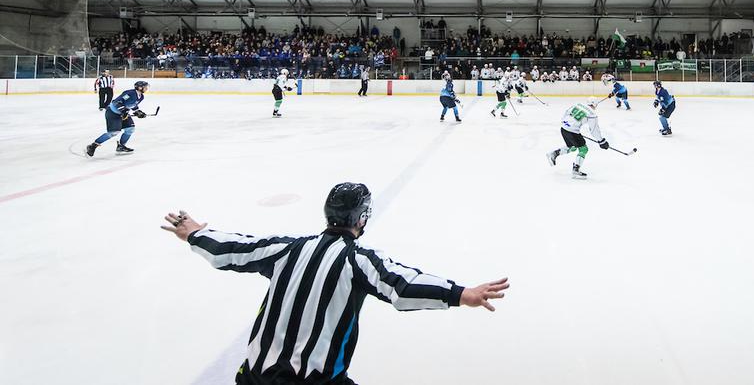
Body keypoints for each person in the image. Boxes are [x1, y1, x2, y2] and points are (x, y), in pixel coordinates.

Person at [161, 183, 508, 385]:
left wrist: (197, 233)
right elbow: (402, 287)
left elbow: (232, 249)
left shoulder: (286, 248)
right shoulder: (359, 260)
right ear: (362, 218)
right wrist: (462, 294)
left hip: (253, 377)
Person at [546, 98, 607, 179]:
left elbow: (567, 112)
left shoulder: (578, 105)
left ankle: (554, 154)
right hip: (572, 132)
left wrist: (566, 123)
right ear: (595, 104)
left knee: (572, 147)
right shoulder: (592, 114)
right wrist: (601, 141)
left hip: (564, 128)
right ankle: (575, 170)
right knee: (583, 149)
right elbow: (594, 130)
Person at [85, 80, 150, 156]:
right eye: (145, 87)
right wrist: (124, 111)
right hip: (112, 113)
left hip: (122, 113)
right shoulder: (130, 93)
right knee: (114, 132)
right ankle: (93, 146)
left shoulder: (141, 97)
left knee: (130, 129)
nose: (146, 88)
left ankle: (121, 146)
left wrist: (138, 112)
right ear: (139, 87)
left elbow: (133, 104)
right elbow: (117, 102)